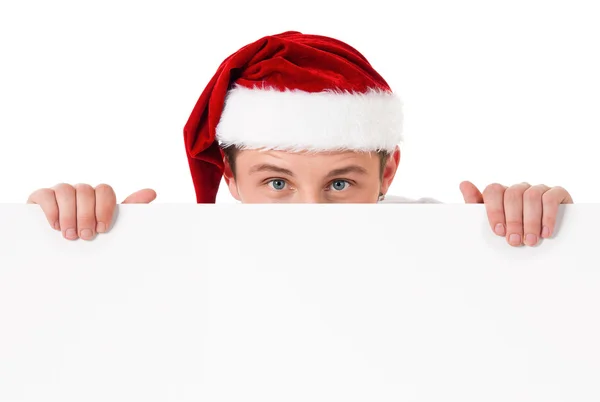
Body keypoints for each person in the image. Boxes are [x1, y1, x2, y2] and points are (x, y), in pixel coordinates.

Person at [27, 31, 573, 247]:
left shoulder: (438, 239)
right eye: (276, 182)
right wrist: (58, 234)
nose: (311, 211)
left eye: (339, 181)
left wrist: (536, 236)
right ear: (232, 178)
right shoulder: (180, 248)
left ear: (388, 172)